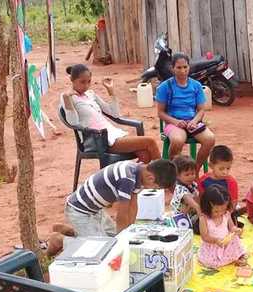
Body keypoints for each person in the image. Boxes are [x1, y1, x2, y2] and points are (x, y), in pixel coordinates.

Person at [47, 159, 177, 256]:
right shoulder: (128, 178)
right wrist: (123, 239)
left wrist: (130, 231)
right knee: (101, 248)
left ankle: (69, 230)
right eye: (156, 187)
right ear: (151, 178)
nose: (154, 190)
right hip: (79, 211)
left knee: (112, 238)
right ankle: (60, 240)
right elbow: (121, 212)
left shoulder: (139, 172)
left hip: (96, 210)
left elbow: (133, 204)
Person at [60, 64, 161, 163]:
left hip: (113, 134)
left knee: (145, 155)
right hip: (99, 140)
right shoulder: (67, 97)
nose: (86, 86)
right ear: (72, 80)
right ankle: (167, 177)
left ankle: (136, 176)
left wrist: (111, 91)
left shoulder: (90, 94)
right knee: (150, 142)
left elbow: (115, 114)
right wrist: (67, 99)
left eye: (89, 81)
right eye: (82, 82)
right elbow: (73, 122)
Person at [156, 53, 215, 172]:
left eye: (185, 67)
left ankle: (195, 171)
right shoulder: (164, 87)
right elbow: (160, 113)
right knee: (178, 140)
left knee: (210, 139)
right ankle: (175, 173)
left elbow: (201, 110)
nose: (182, 71)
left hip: (193, 123)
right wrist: (176, 122)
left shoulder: (196, 85)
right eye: (178, 68)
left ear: (189, 67)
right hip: (173, 123)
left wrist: (194, 121)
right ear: (172, 68)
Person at [197, 184, 247, 269]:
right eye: (216, 211)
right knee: (211, 262)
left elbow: (231, 227)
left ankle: (235, 256)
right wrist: (216, 240)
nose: (220, 213)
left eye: (223, 210)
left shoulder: (226, 214)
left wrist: (236, 230)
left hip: (225, 243)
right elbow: (204, 236)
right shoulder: (204, 219)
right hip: (212, 245)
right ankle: (227, 259)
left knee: (235, 239)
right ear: (207, 207)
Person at [170, 155, 201, 230]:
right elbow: (191, 202)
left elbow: (198, 198)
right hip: (181, 218)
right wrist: (201, 213)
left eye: (193, 173)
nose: (191, 176)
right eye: (187, 175)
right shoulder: (180, 188)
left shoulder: (193, 184)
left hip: (191, 213)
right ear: (177, 175)